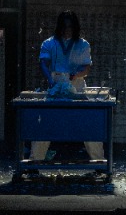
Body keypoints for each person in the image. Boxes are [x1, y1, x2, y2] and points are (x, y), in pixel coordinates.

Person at [30, 10, 105, 162]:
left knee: (88, 122)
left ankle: (98, 161)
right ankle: (35, 161)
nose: (67, 30)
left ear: (75, 27)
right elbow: (43, 63)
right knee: (44, 122)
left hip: (77, 85)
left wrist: (76, 75)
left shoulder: (82, 44)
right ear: (59, 27)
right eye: (64, 26)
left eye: (70, 27)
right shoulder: (49, 43)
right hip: (56, 84)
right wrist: (50, 79)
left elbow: (86, 68)